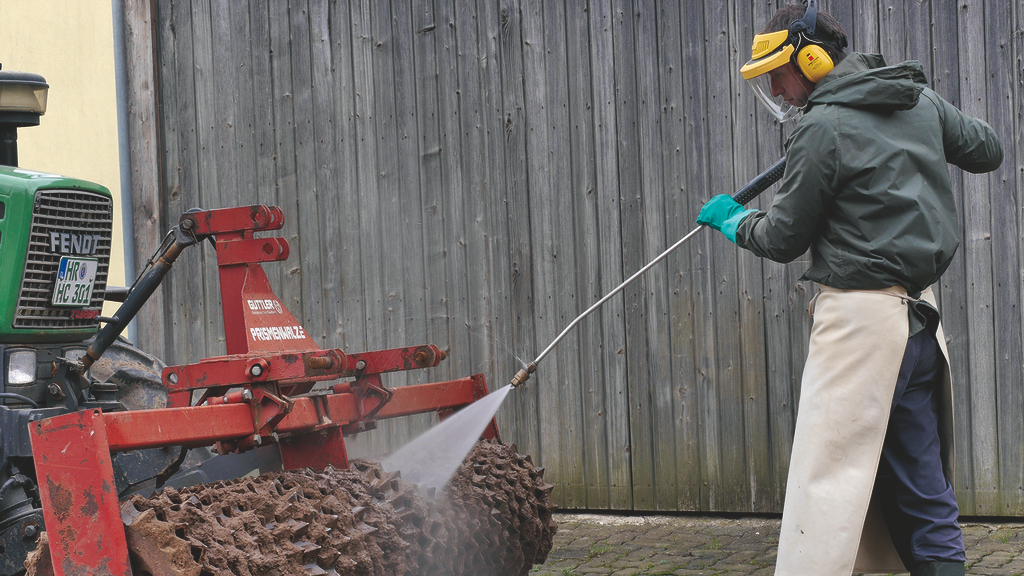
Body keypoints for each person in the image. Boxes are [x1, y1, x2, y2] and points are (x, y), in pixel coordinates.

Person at [696, 2, 1003, 576]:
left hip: (860, 331)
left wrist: (735, 222)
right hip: (916, 328)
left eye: (778, 74)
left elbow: (784, 237)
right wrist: (922, 120)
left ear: (810, 59)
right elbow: (987, 149)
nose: (776, 90)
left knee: (827, 493)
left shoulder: (821, 126)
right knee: (923, 484)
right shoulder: (917, 100)